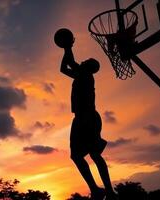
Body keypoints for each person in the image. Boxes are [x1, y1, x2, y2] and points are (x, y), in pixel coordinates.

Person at [60, 38, 117, 200]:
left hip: (87, 118)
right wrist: (66, 49)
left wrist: (68, 46)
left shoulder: (84, 74)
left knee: (89, 155)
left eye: (86, 61)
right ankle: (101, 190)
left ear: (89, 67)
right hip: (84, 118)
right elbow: (63, 68)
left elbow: (70, 62)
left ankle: (105, 191)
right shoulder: (81, 76)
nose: (83, 61)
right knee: (87, 155)